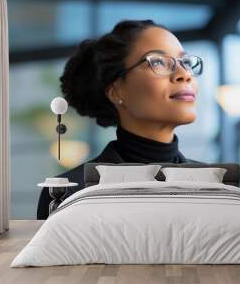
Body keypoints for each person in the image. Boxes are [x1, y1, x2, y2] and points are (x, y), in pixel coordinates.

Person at [37, 19, 204, 220]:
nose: (184, 74)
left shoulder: (217, 184)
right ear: (116, 91)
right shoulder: (65, 191)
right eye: (158, 61)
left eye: (185, 62)